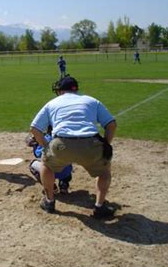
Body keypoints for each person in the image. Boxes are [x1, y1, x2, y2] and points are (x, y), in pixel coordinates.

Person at [30, 76, 117, 218]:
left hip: (62, 144)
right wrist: (106, 143)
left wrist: (46, 147)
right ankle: (99, 206)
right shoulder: (91, 100)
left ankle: (49, 201)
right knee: (104, 171)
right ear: (76, 89)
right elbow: (111, 124)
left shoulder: (52, 103)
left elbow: (34, 128)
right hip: (91, 144)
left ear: (60, 90)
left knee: (46, 164)